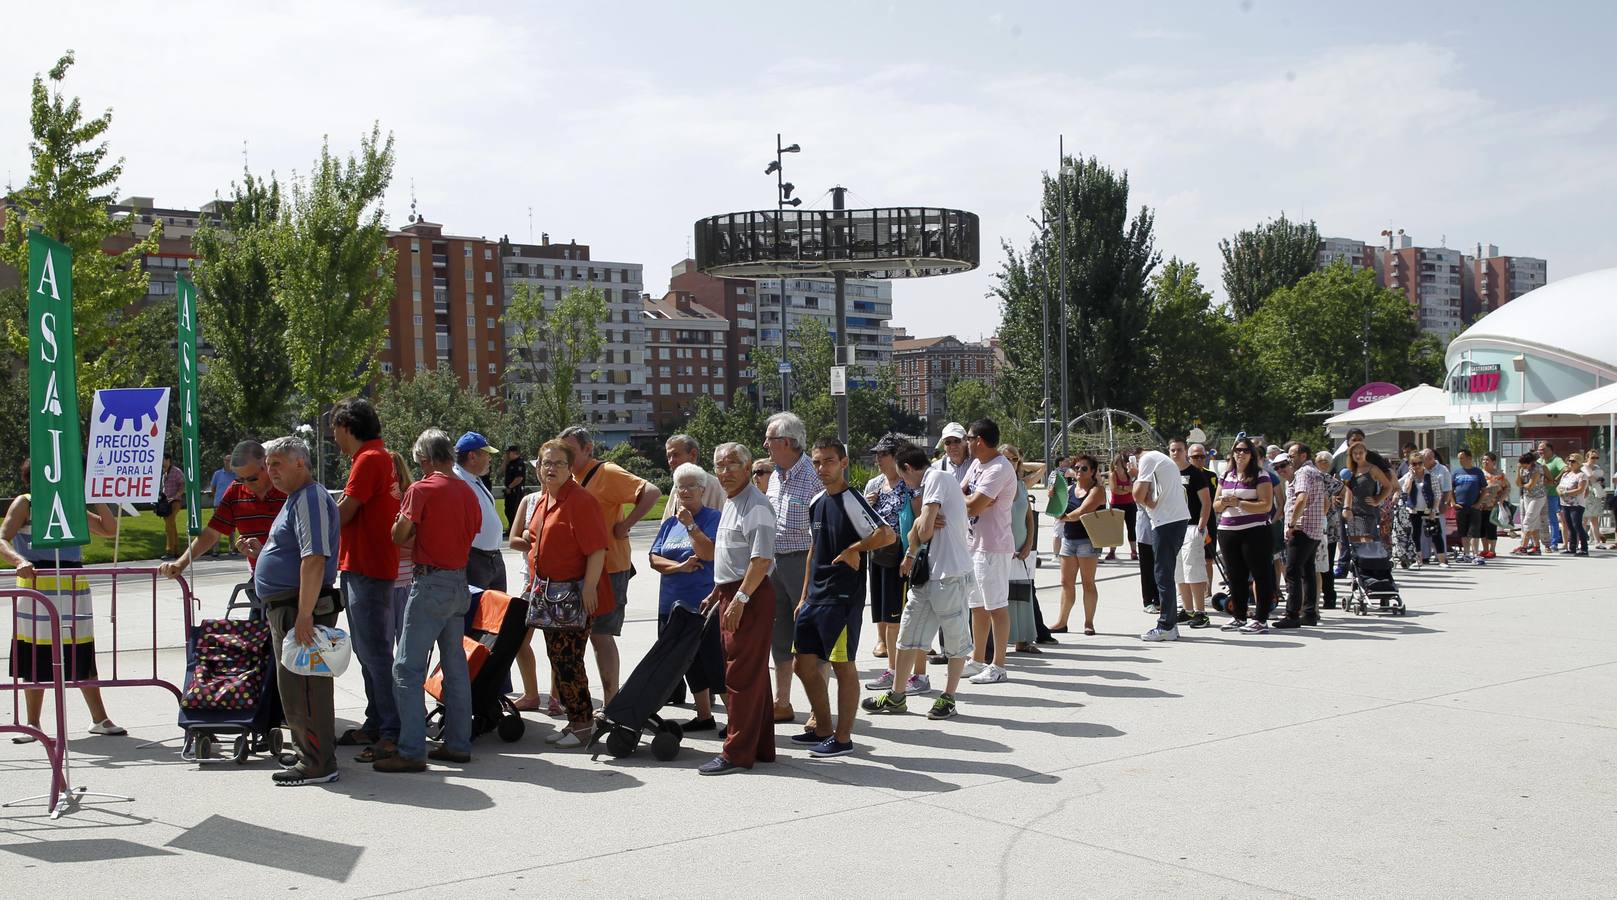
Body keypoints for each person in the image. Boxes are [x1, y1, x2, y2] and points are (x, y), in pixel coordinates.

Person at [379, 429, 481, 773]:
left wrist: (401, 520)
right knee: (454, 667)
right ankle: (457, 743)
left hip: (430, 582)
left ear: (424, 459)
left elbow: (399, 535)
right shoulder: (468, 492)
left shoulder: (420, 489)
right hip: (458, 582)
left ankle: (410, 749)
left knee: (406, 667)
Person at [1, 459, 124, 742]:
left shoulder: (71, 503)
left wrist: (95, 495)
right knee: (36, 653)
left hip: (72, 586)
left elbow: (108, 529)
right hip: (36, 585)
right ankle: (33, 723)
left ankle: (99, 718)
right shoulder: (25, 503)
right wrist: (19, 561)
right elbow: (2, 537)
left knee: (82, 649)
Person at [788, 438, 894, 758]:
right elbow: (813, 551)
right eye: (818, 462)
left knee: (841, 665)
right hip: (815, 598)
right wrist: (804, 595)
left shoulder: (851, 500)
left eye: (829, 461)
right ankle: (822, 728)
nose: (823, 468)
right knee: (802, 665)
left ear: (843, 463)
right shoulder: (816, 501)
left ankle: (843, 738)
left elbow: (886, 534)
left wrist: (855, 549)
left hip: (842, 597)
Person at [253, 436, 342, 786]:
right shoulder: (296, 499)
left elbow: (314, 557)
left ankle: (318, 762)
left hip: (299, 608)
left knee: (305, 688)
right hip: (289, 607)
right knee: (294, 687)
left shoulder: (309, 498)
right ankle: (309, 752)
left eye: (277, 463)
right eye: (268, 465)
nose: (269, 471)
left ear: (300, 464)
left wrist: (305, 614)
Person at [862, 443, 974, 721]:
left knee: (955, 640)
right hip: (928, 575)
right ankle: (897, 696)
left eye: (904, 477)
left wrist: (924, 522)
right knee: (908, 635)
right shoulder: (927, 486)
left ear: (909, 469)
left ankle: (948, 697)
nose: (904, 483)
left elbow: (922, 530)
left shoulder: (935, 478)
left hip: (950, 574)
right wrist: (916, 538)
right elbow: (917, 529)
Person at [559, 426, 661, 707]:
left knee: (601, 635)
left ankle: (611, 702)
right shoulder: (572, 479)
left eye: (570, 451)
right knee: (588, 637)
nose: (564, 456)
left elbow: (651, 492)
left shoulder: (606, 472)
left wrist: (626, 524)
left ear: (588, 449)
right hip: (583, 569)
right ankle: (598, 700)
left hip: (610, 568)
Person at [695, 442, 778, 775]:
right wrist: (718, 592)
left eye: (731, 464)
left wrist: (740, 600)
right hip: (734, 592)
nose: (724, 471)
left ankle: (736, 753)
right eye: (719, 465)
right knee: (753, 676)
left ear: (748, 468)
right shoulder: (732, 501)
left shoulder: (755, 505)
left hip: (750, 595)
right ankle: (760, 746)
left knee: (740, 677)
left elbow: (761, 560)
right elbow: (734, 554)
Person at [525, 439, 613, 748]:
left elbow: (598, 549)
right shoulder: (545, 499)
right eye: (545, 463)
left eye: (558, 463)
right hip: (549, 593)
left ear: (569, 467)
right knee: (559, 659)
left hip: (572, 595)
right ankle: (576, 719)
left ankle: (583, 725)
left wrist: (589, 588)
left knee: (569, 660)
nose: (550, 468)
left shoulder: (580, 500)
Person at [330, 397, 402, 760]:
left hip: (367, 568)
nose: (334, 440)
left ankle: (391, 730)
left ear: (346, 427)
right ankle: (377, 722)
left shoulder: (369, 459)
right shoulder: (377, 457)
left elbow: (343, 513)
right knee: (368, 652)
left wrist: (313, 518)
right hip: (365, 566)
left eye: (334, 431)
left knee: (374, 654)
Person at [648, 463, 724, 730]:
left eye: (692, 485)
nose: (686, 491)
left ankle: (737, 720)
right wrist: (679, 567)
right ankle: (704, 716)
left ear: (703, 490)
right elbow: (654, 559)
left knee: (713, 662)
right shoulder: (670, 523)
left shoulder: (713, 518)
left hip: (700, 604)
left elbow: (708, 554)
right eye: (681, 486)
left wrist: (691, 525)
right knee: (688, 665)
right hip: (670, 604)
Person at [161, 440, 289, 591]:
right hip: (261, 578)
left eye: (252, 478)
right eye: (241, 479)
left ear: (266, 465)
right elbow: (212, 532)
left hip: (292, 576)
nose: (246, 484)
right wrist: (181, 563)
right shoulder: (235, 491)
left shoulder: (288, 488)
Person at [764, 412, 819, 722]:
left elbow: (820, 533)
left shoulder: (812, 477)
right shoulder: (775, 476)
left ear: (786, 442)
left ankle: (816, 708)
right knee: (779, 637)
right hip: (776, 564)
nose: (765, 445)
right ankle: (782, 702)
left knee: (810, 638)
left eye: (770, 440)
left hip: (803, 563)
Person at [960, 419, 1017, 682]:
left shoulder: (999, 468)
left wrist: (973, 501)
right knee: (977, 606)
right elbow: (962, 496)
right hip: (974, 544)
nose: (966, 443)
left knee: (996, 606)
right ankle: (977, 658)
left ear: (979, 440)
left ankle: (999, 665)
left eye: (968, 438)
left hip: (993, 546)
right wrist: (972, 500)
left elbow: (972, 506)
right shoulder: (977, 465)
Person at [863, 435, 916, 680]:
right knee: (882, 606)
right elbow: (862, 522)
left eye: (883, 454)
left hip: (901, 555)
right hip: (878, 554)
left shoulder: (909, 485)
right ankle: (887, 651)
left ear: (897, 457)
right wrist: (866, 505)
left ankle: (900, 665)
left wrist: (912, 553)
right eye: (877, 454)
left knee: (900, 609)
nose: (877, 460)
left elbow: (919, 520)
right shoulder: (874, 485)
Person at [1215, 438, 1279, 634]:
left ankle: (1260, 619)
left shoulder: (1261, 475)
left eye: (1244, 450)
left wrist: (1239, 502)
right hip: (1227, 531)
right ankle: (1239, 616)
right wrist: (1225, 502)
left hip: (1255, 531)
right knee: (1235, 576)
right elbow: (1216, 505)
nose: (1240, 454)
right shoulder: (1226, 475)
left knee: (1260, 574)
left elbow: (1266, 505)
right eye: (1236, 450)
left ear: (1251, 454)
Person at [503, 455, 548, 714]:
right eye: (541, 466)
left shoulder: (567, 500)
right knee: (519, 639)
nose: (544, 471)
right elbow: (513, 539)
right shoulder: (529, 500)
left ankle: (557, 696)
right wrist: (537, 541)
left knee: (557, 643)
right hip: (529, 579)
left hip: (558, 581)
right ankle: (531, 694)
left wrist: (530, 539)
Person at [1134, 444, 1192, 642]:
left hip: (1167, 522)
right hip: (1175, 521)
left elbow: (1138, 495)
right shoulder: (1161, 460)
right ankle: (1170, 625)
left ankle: (1166, 625)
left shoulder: (1147, 459)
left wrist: (1139, 483)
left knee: (1163, 575)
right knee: (1165, 573)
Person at [1275, 442, 1327, 628]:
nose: (1289, 459)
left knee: (1292, 572)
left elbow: (1302, 498)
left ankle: (1292, 615)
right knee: (1308, 572)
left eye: (1292, 455)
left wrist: (1291, 523)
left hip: (1301, 528)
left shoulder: (1303, 473)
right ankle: (1309, 613)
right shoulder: (1317, 472)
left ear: (1303, 456)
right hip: (1314, 529)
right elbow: (1328, 498)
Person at [1050, 454, 1103, 635]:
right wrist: (1054, 498)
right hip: (1069, 539)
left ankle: (1089, 623)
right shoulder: (1069, 489)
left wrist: (1063, 517)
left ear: (1093, 471)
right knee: (1066, 583)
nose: (1079, 471)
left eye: (1084, 468)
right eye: (1077, 468)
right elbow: (1056, 510)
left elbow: (1082, 511)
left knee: (1088, 583)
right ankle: (1061, 622)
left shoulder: (1097, 491)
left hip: (1088, 540)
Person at [451, 432, 508, 594]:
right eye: (486, 454)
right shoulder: (457, 479)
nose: (490, 459)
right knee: (477, 613)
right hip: (475, 560)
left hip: (493, 558)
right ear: (472, 456)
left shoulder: (473, 478)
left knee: (498, 613)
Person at [1000, 444, 1043, 652]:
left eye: (1014, 460)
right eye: (1005, 459)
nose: (1010, 463)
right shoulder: (991, 485)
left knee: (1022, 593)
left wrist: (1028, 544)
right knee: (1001, 595)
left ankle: (1023, 640)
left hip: (1021, 544)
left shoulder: (1022, 485)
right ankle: (1001, 641)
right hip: (999, 546)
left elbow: (1029, 519)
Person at [1170, 439, 1213, 629]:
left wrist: (1202, 526)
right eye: (1172, 450)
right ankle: (1187, 610)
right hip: (1174, 527)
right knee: (1179, 570)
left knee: (1193, 568)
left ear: (1185, 451)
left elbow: (1206, 501)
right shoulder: (1169, 473)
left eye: (1179, 450)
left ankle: (1201, 612)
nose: (1176, 453)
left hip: (1193, 526)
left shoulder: (1195, 473)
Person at [1342, 443, 1396, 546]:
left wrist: (1378, 500)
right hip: (1352, 514)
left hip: (1367, 514)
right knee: (1355, 545)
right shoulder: (1350, 470)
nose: (1358, 456)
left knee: (1367, 544)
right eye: (1355, 453)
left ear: (1366, 453)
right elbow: (1346, 490)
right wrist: (1346, 507)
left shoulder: (1373, 469)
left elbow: (1388, 486)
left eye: (1361, 453)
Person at [387, 451, 414, 649]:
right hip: (390, 580)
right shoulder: (377, 501)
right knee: (388, 644)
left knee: (406, 643)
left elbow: (410, 545)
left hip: (404, 580)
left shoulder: (409, 497)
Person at [663, 434, 727, 517]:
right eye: (668, 457)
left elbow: (720, 524)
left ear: (693, 454)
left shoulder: (714, 486)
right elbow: (667, 521)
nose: (671, 461)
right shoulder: (677, 485)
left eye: (675, 455)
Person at [1313, 451, 1346, 610]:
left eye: (1326, 461)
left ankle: (1329, 597)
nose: (1323, 463)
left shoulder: (1331, 480)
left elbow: (1345, 491)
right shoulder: (1312, 476)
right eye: (1320, 460)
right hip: (1313, 524)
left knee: (1326, 563)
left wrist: (1343, 504)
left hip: (1329, 526)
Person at [1400, 454, 1445, 569]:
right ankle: (1418, 560)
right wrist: (1410, 477)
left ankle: (1442, 561)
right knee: (1415, 534)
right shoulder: (1409, 476)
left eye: (1420, 463)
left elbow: (1437, 494)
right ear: (1410, 465)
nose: (1417, 466)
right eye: (1414, 464)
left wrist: (1434, 509)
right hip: (1414, 509)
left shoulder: (1431, 475)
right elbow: (1405, 491)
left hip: (1429, 509)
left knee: (1435, 534)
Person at [1451, 449, 1487, 564]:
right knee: (1463, 532)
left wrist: (1478, 503)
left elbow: (1484, 489)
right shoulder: (1456, 473)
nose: (1460, 460)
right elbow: (1450, 489)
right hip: (1460, 507)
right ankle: (1466, 554)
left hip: (1474, 507)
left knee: (1474, 531)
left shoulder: (1477, 472)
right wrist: (1453, 502)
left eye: (1462, 458)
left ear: (1469, 458)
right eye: (1459, 458)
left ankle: (1475, 554)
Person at [1421, 449, 1454, 564]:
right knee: (1423, 532)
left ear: (1430, 459)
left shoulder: (1442, 470)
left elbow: (1447, 489)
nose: (1421, 463)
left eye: (1423, 460)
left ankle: (1441, 556)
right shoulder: (1422, 469)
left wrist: (1444, 504)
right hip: (1423, 506)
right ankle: (1424, 556)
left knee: (1438, 531)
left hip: (1438, 505)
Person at [1107, 452, 1138, 562]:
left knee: (1131, 528)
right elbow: (1114, 490)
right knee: (1115, 529)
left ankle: (1134, 551)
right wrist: (1127, 488)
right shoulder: (1112, 475)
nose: (1117, 465)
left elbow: (1134, 488)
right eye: (1116, 463)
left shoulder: (1129, 474)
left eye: (1119, 463)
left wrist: (1122, 488)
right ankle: (1112, 551)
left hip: (1130, 504)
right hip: (1116, 504)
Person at [1515, 452, 1548, 555]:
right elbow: (1518, 483)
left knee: (1528, 521)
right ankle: (1536, 547)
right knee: (1534, 522)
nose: (1524, 466)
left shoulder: (1537, 469)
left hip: (1538, 497)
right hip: (1527, 496)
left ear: (1531, 462)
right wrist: (1518, 470)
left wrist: (1523, 484)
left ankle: (1523, 546)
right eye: (1522, 464)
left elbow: (1530, 485)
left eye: (1525, 464)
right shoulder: (1522, 468)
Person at [1477, 452, 1508, 558]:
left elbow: (1507, 488)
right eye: (1483, 460)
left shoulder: (1499, 475)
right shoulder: (1479, 473)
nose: (1485, 462)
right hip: (1480, 505)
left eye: (1487, 460)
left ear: (1493, 462)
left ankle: (1492, 550)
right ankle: (1485, 549)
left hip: (1493, 505)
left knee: (1491, 527)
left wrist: (1502, 498)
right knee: (1481, 528)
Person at [1558, 453, 1590, 556]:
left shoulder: (1582, 475)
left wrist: (1566, 493)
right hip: (1565, 503)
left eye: (1573, 461)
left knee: (1577, 525)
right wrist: (1559, 491)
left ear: (1579, 463)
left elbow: (1580, 489)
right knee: (1569, 525)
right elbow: (1559, 486)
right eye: (1569, 461)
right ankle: (1572, 547)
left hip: (1576, 504)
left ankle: (1584, 548)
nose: (1570, 463)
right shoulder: (1566, 474)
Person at [1539, 440, 1566, 550]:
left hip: (1551, 494)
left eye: (1543, 450)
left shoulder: (1556, 460)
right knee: (1538, 518)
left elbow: (1565, 468)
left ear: (1550, 450)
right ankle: (1538, 541)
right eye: (1539, 450)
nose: (1541, 452)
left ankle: (1554, 542)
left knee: (1552, 518)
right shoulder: (1539, 460)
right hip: (1539, 494)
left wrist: (1556, 479)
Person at [159, 452, 185, 560]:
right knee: (171, 526)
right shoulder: (164, 473)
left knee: (169, 526)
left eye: (163, 459)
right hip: (166, 503)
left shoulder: (176, 471)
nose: (162, 462)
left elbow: (183, 484)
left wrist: (176, 496)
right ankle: (176, 551)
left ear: (168, 460)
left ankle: (169, 551)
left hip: (174, 502)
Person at [207, 455, 234, 555]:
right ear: (224, 461)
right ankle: (215, 549)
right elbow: (213, 488)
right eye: (226, 460)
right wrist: (217, 498)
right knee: (217, 527)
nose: (228, 462)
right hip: (219, 503)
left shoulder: (236, 474)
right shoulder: (217, 474)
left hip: (232, 504)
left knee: (231, 528)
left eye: (230, 461)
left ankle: (232, 548)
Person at [1583, 449, 1608, 549]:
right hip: (1586, 493)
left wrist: (1599, 481)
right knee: (1584, 519)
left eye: (1596, 457)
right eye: (1592, 457)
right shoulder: (1584, 467)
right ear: (1587, 457)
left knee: (1594, 519)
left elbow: (1598, 480)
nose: (1594, 459)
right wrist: (1597, 479)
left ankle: (1597, 542)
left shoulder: (1597, 467)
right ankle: (1581, 540)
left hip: (1596, 493)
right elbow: (1590, 478)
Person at [502, 444, 528, 528]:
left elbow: (519, 478)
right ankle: (511, 527)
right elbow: (501, 471)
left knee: (514, 510)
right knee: (508, 510)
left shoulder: (519, 463)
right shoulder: (510, 463)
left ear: (514, 452)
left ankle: (516, 529)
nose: (507, 454)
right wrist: (505, 461)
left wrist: (510, 487)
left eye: (508, 453)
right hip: (510, 491)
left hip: (516, 491)